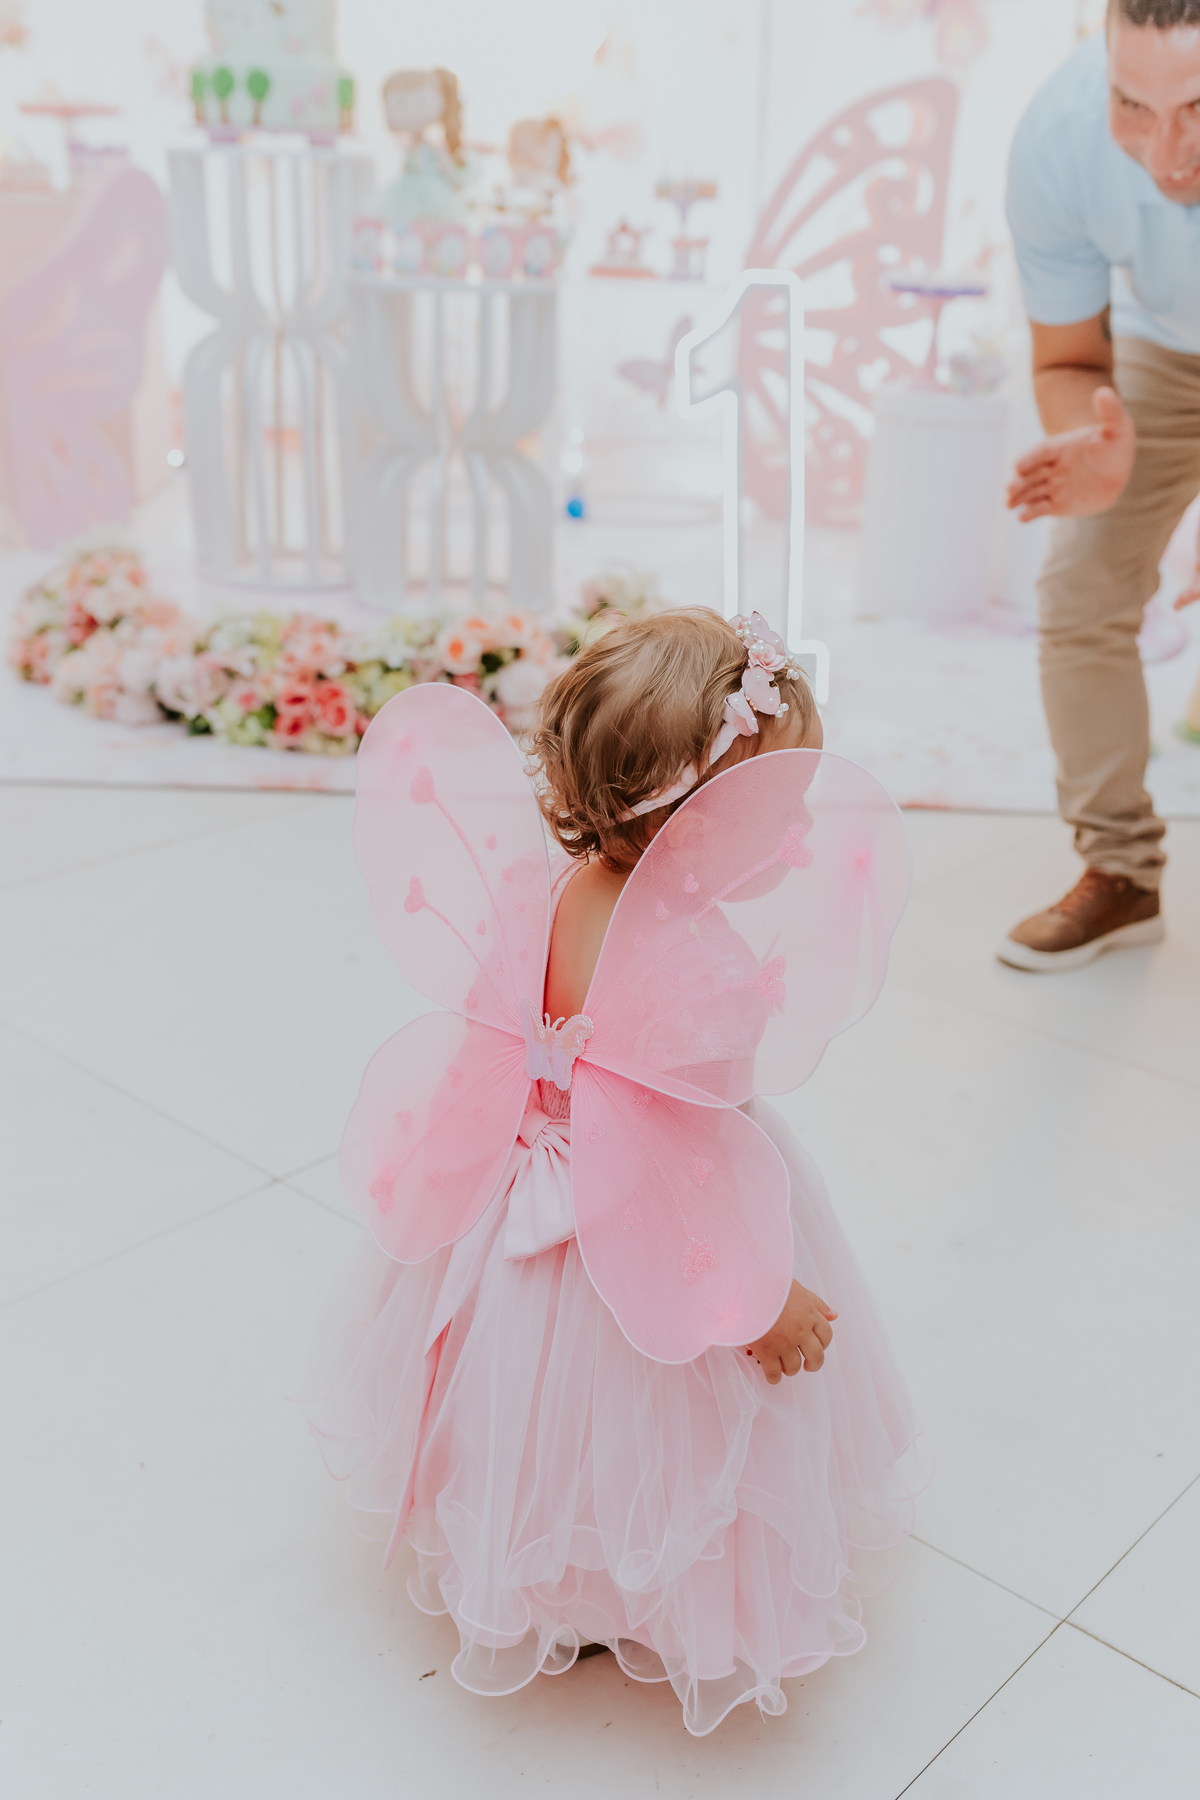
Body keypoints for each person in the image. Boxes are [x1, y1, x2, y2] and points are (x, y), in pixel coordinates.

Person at [300, 609, 923, 1737]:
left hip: (519, 1208)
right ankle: (644, 1586)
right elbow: (682, 1177)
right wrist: (760, 1298)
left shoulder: (552, 889)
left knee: (531, 1410)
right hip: (648, 1224)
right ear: (686, 825)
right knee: (649, 1418)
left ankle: (552, 1568)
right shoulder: (699, 968)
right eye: (771, 814)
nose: (792, 840)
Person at [1002, 0, 1200, 971]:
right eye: (1136, 105)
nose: (1167, 159)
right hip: (1166, 350)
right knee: (1078, 585)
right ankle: (1120, 874)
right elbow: (1071, 357)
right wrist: (1094, 438)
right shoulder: (1059, 137)